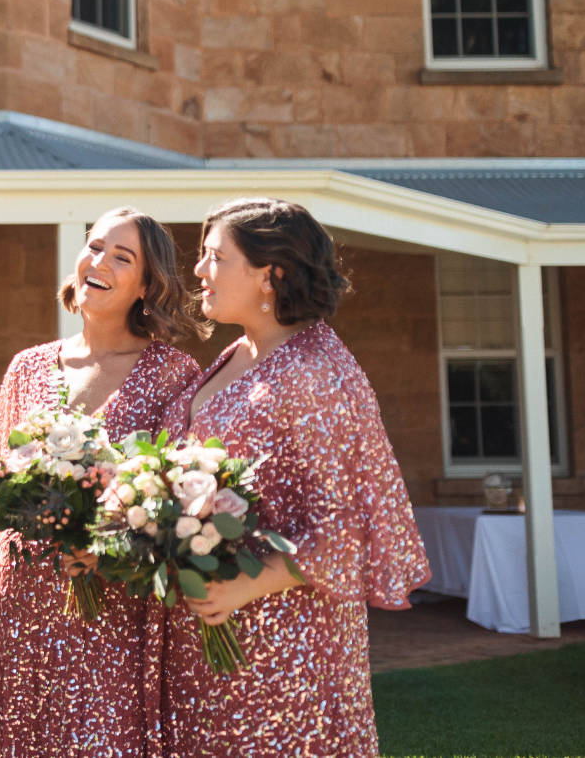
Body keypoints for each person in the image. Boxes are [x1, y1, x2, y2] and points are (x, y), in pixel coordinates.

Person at [153, 197, 430, 758]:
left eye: (214, 258)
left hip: (281, 643)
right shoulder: (239, 353)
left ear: (270, 274)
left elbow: (346, 527)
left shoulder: (314, 371)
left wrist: (246, 584)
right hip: (206, 629)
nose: (199, 272)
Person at [0, 208, 203, 758]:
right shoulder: (27, 367)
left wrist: (105, 545)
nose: (97, 262)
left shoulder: (174, 373)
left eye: (121, 257)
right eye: (94, 245)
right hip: (21, 598)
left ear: (147, 285)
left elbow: (175, 497)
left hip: (111, 601)